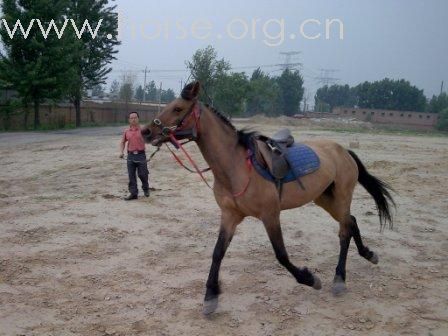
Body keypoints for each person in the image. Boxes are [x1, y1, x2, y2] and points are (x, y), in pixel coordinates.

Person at [119, 111, 150, 200]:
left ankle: (146, 188)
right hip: (130, 156)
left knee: (143, 174)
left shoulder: (143, 130)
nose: (133, 119)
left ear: (138, 119)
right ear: (129, 120)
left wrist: (156, 141)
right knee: (131, 175)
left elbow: (151, 138)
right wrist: (121, 152)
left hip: (141, 155)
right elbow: (122, 142)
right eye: (131, 118)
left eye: (135, 117)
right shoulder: (126, 131)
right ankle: (133, 193)